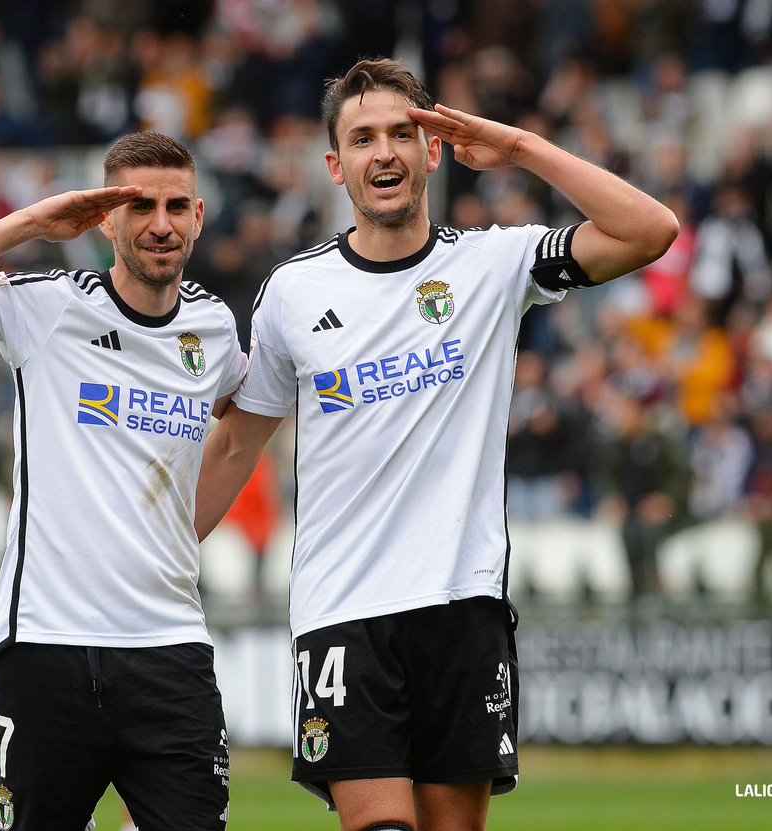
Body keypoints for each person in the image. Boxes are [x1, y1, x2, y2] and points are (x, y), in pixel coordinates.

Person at [194, 58, 678, 831]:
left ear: (433, 151)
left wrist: (520, 148)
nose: (383, 151)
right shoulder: (293, 292)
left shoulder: (492, 264)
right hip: (342, 611)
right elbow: (234, 444)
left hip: (462, 605)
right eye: (362, 138)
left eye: (402, 133)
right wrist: (158, 553)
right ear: (336, 165)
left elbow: (650, 231)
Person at [0, 131, 245, 831]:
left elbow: (247, 420)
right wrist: (29, 223)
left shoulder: (215, 330)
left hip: (169, 649)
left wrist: (182, 528)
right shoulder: (47, 307)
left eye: (177, 206)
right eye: (139, 207)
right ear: (107, 219)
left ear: (199, 216)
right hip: (45, 646)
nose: (161, 225)